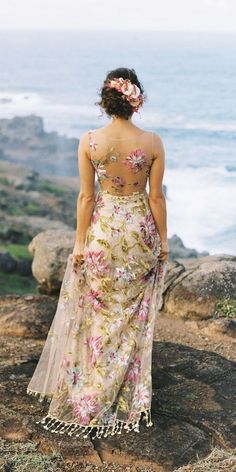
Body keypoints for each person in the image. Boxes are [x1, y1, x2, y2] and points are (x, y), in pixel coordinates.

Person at [27, 67, 169, 440]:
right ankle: (122, 387)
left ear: (107, 101)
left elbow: (86, 197)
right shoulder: (153, 142)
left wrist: (78, 242)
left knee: (99, 311)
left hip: (103, 234)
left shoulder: (90, 141)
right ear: (136, 100)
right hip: (138, 234)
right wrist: (164, 240)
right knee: (130, 314)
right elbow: (156, 197)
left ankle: (89, 389)